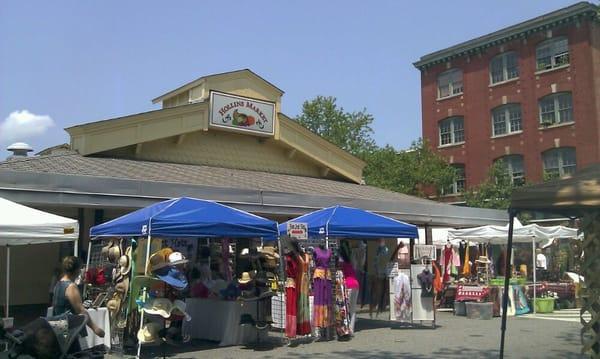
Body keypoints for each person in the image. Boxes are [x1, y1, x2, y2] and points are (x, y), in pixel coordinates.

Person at [52, 256, 105, 340]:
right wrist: (96, 329)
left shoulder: (58, 284)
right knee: (74, 352)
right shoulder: (71, 286)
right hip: (69, 329)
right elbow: (80, 310)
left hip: (58, 327)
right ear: (76, 270)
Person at [339, 241, 359, 334]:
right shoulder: (352, 261)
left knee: (347, 307)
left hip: (348, 285)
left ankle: (346, 328)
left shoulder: (342, 263)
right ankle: (352, 328)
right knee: (353, 308)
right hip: (355, 283)